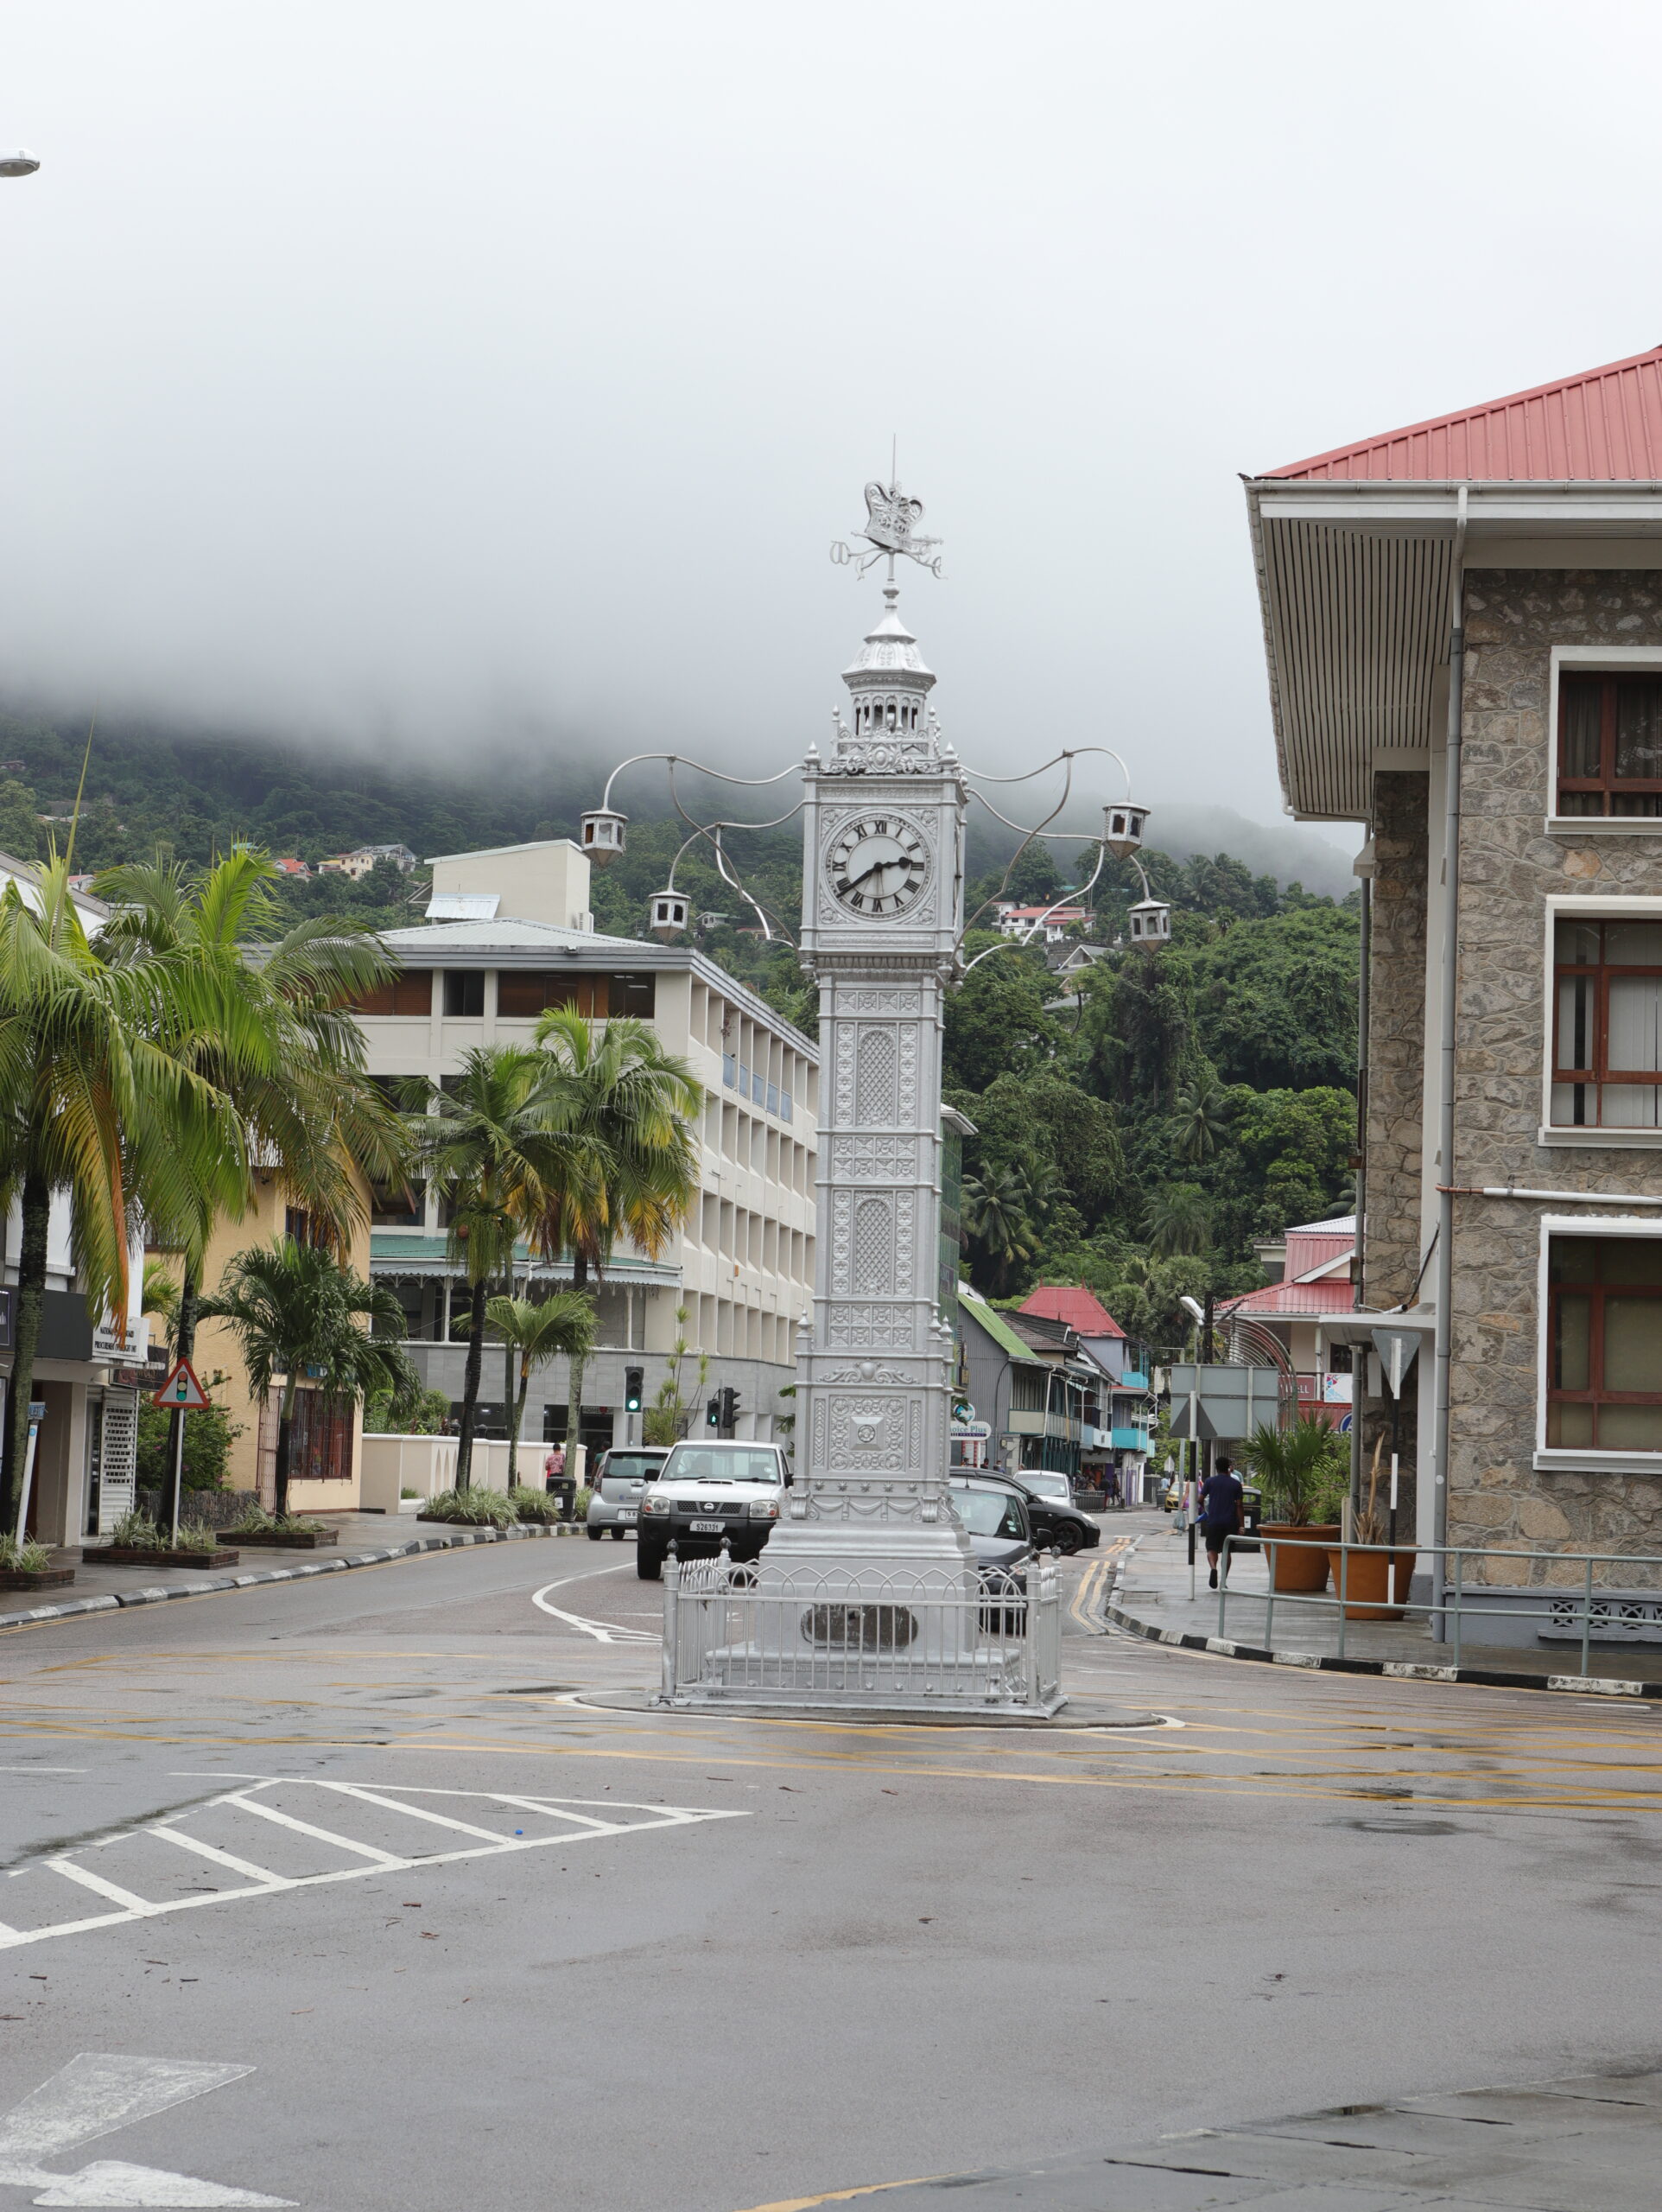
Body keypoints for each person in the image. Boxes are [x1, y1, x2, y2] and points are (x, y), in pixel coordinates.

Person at [1198, 1454, 1245, 1590]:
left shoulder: (1210, 1482)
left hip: (1214, 1521)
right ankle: (1223, 1581)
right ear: (1229, 1468)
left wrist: (1207, 1510)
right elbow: (1239, 1505)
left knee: (1211, 1548)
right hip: (1230, 1522)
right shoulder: (1236, 1484)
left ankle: (1213, 1568)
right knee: (1227, 1551)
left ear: (1216, 1468)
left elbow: (1200, 1499)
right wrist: (1241, 1525)